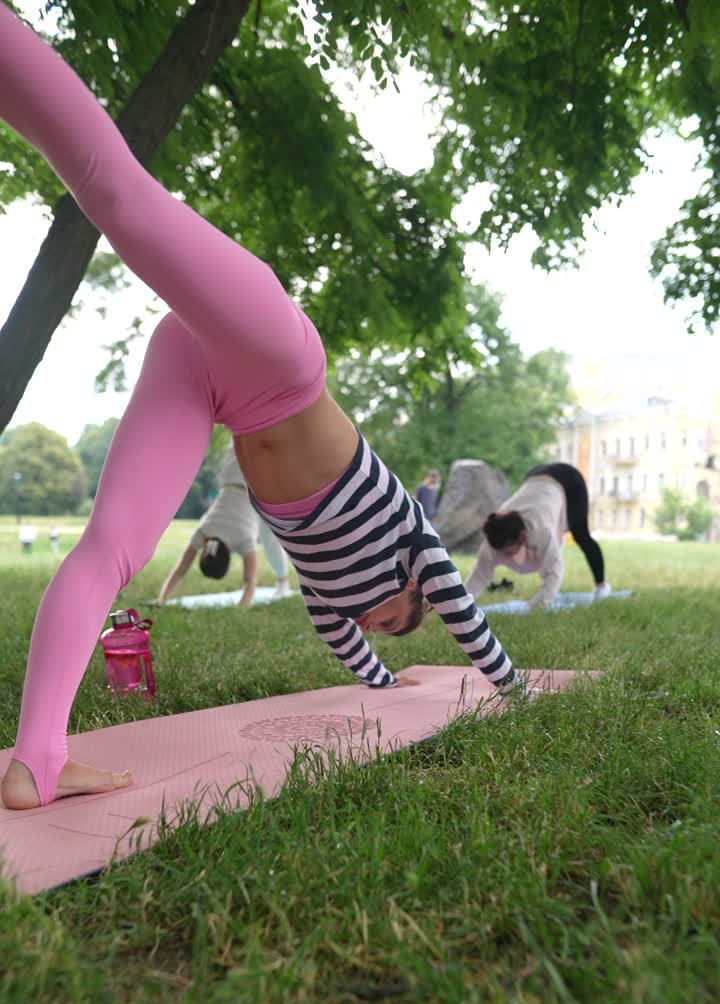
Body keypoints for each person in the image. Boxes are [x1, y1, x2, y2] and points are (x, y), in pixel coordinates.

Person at [0, 3, 520, 811]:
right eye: (393, 620)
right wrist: (511, 687)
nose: (375, 625)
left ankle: (37, 758)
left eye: (380, 632)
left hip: (204, 380)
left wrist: (384, 678)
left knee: (111, 548)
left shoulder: (326, 594)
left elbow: (343, 639)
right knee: (121, 199)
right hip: (278, 359)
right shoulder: (412, 546)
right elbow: (463, 613)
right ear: (410, 589)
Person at [158, 444, 292, 606]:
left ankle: (283, 582)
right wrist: (162, 599)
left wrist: (241, 608)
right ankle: (282, 582)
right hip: (232, 471)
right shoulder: (203, 531)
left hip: (257, 481)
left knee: (269, 538)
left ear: (229, 557)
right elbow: (180, 569)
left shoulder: (244, 541)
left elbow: (250, 582)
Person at [465, 462, 611, 607]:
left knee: (581, 535)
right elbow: (479, 576)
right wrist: (461, 605)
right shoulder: (495, 533)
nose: (505, 556)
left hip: (568, 480)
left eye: (508, 551)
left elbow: (555, 570)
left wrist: (539, 604)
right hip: (534, 477)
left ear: (522, 536)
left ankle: (602, 586)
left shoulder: (541, 531)